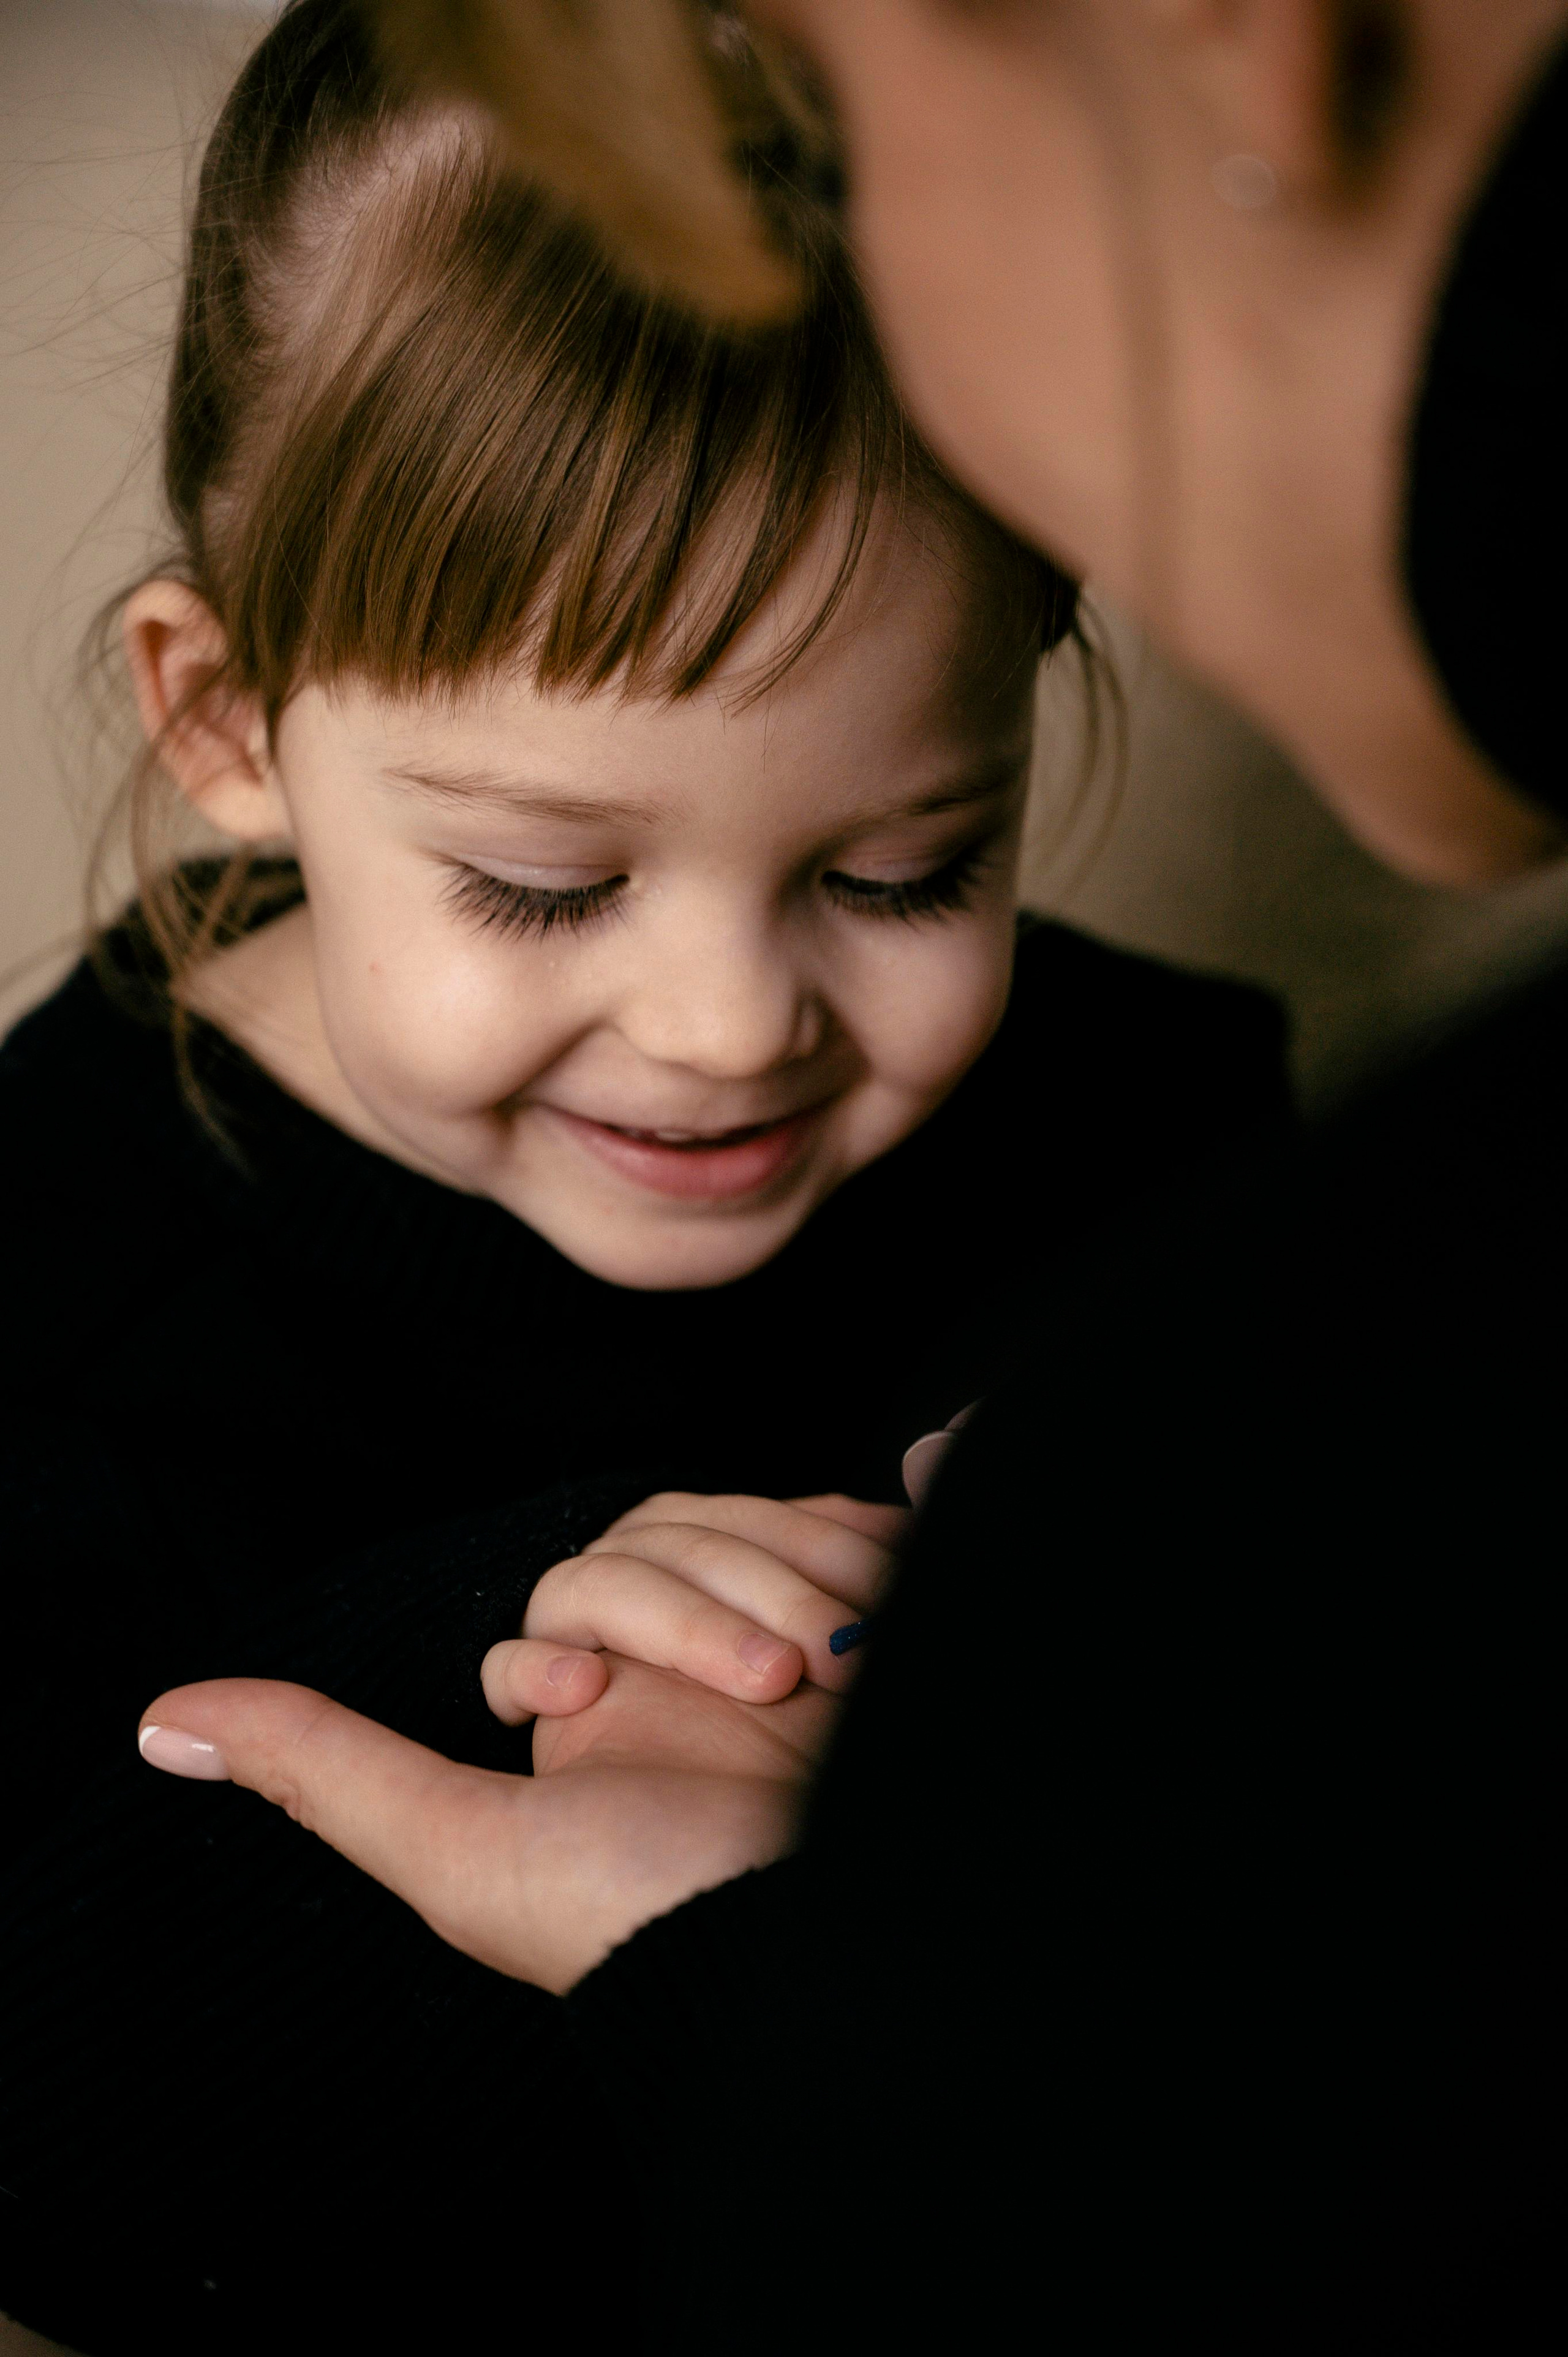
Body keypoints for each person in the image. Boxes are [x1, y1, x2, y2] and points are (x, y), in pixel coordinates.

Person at [119, 0, 1568, 2344]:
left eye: (904, 872)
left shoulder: (1151, 1127)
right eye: (546, 887)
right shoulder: (79, 1264)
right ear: (224, 721)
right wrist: (522, 1637)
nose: (730, 1029)